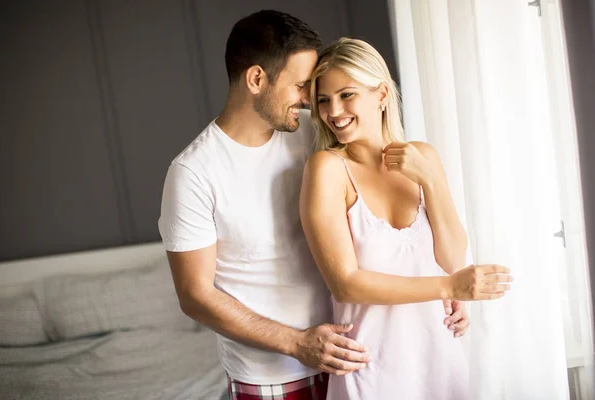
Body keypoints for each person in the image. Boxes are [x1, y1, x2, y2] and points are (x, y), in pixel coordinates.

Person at [158, 10, 470, 400]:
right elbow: (195, 296)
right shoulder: (193, 173)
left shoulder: (312, 132)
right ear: (257, 79)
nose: (313, 101)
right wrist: (296, 343)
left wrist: (441, 288)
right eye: (304, 87)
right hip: (275, 372)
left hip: (359, 350)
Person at [300, 38, 513, 399]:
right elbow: (346, 284)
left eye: (346, 94)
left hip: (439, 359)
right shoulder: (328, 169)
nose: (333, 111)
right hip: (370, 368)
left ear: (381, 94)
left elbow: (450, 260)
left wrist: (429, 179)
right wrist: (449, 288)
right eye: (323, 100)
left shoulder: (423, 155)